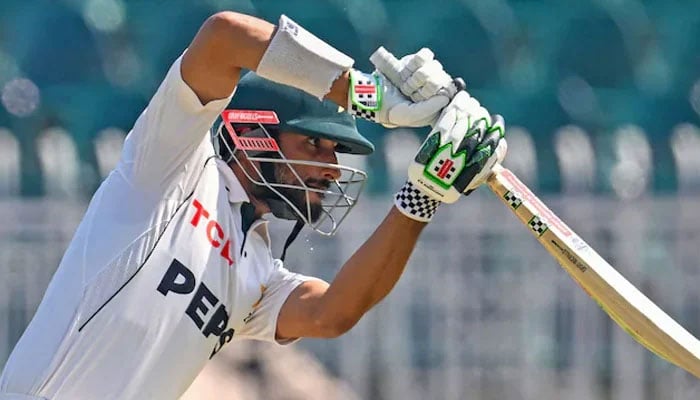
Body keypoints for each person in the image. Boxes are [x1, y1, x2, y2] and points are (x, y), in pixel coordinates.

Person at [0, 11, 506, 400]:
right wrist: (365, 95)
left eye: (335, 153)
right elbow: (224, 37)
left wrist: (419, 199)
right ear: (252, 134)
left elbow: (333, 313)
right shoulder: (170, 166)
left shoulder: (257, 269)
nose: (332, 168)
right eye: (314, 145)